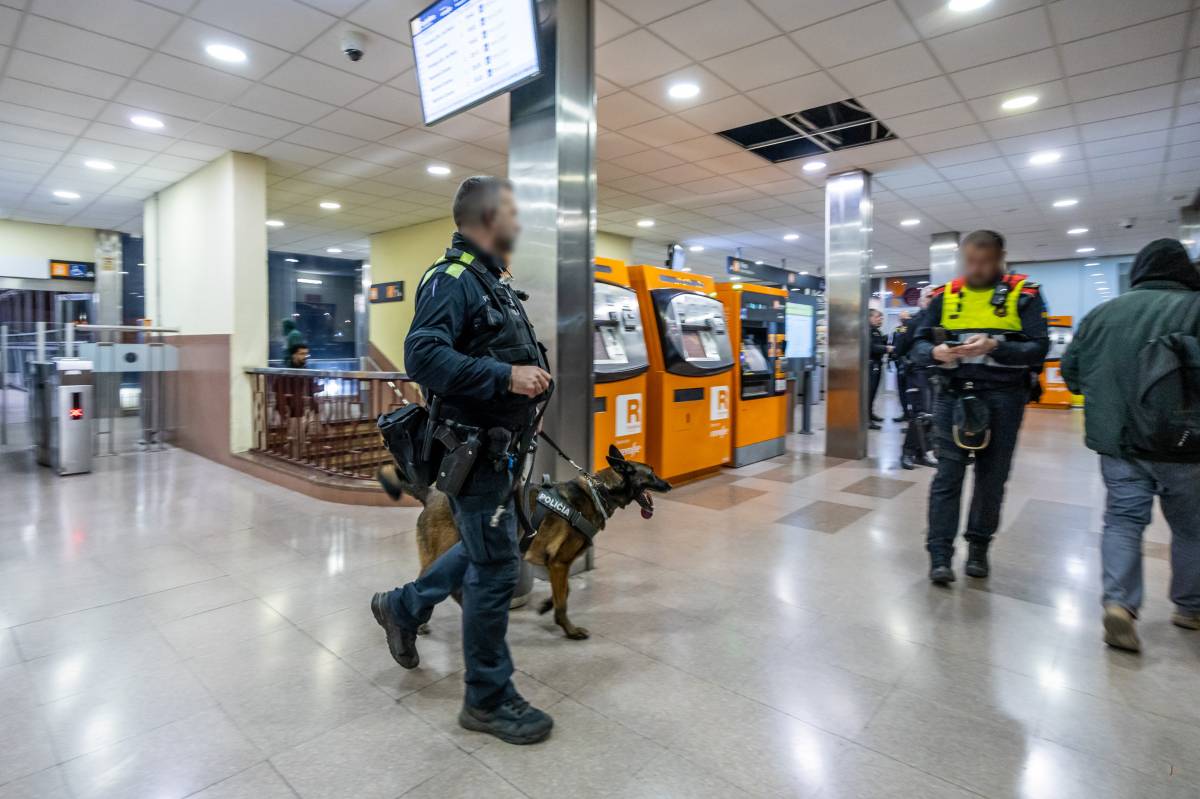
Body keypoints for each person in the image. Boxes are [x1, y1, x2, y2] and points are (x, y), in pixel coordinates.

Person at [369, 176, 555, 744]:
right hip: (473, 453)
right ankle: (487, 699)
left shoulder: (489, 282)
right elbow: (422, 355)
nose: (518, 226)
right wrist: (507, 375)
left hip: (500, 451)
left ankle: (402, 606)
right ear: (485, 220)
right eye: (511, 215)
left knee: (485, 551)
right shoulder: (451, 280)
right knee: (496, 567)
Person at [1061, 238, 1200, 652]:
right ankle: (1189, 607)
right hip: (1187, 443)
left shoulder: (1103, 313)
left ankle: (1120, 605)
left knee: (1122, 521)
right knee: (1192, 528)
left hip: (1121, 443)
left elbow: (1072, 374)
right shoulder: (1195, 307)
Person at [911, 230, 1049, 584]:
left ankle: (978, 547)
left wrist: (994, 346)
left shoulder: (1025, 294)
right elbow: (918, 342)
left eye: (985, 262)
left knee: (992, 478)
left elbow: (1038, 348)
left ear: (1001, 258)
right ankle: (940, 554)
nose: (977, 268)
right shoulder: (945, 295)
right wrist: (934, 352)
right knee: (947, 477)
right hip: (952, 394)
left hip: (1004, 398)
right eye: (970, 261)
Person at [894, 289, 937, 470]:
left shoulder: (940, 321)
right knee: (919, 414)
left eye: (936, 297)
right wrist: (908, 364)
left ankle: (922, 453)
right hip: (917, 372)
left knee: (931, 415)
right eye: (929, 297)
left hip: (935, 373)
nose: (933, 299)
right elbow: (899, 349)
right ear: (921, 301)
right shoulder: (913, 323)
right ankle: (907, 452)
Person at [868, 308, 890, 429]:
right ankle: (866, 420)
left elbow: (880, 342)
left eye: (881, 318)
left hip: (877, 364)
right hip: (870, 365)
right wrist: (887, 349)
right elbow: (872, 347)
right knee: (869, 393)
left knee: (874, 392)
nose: (880, 319)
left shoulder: (877, 331)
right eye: (877, 317)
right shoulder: (868, 331)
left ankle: (870, 414)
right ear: (869, 318)